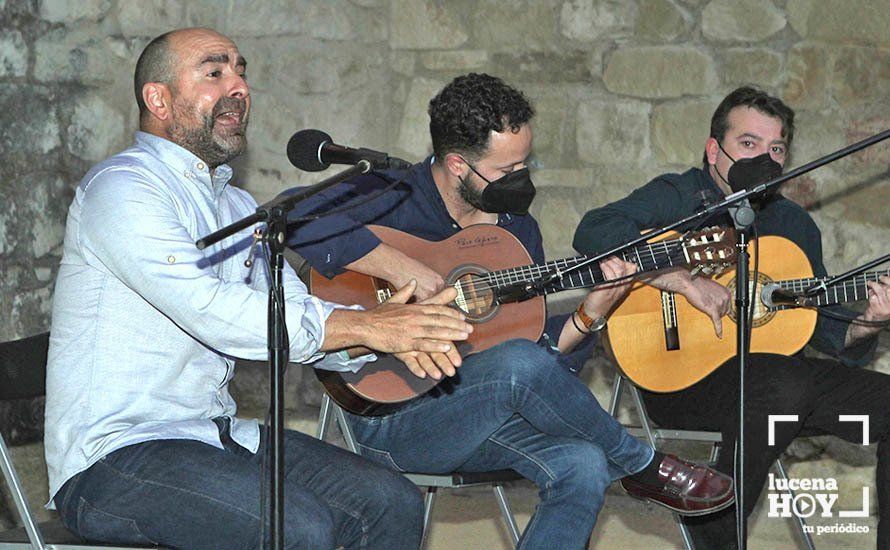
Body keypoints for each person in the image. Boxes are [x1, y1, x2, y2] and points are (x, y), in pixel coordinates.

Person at [44, 27, 478, 549]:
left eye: (241, 71)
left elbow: (293, 309)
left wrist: (390, 333)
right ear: (157, 99)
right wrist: (368, 326)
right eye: (214, 72)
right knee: (297, 528)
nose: (239, 86)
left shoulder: (238, 207)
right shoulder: (121, 188)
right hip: (116, 456)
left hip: (217, 438)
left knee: (392, 503)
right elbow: (206, 307)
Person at [283, 72, 735, 548]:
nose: (521, 180)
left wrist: (589, 316)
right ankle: (643, 465)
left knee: (584, 464)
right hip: (391, 416)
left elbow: (539, 361)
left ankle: (627, 463)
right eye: (506, 171)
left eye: (526, 163)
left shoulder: (517, 231)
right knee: (522, 368)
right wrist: (399, 268)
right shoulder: (387, 192)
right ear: (458, 164)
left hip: (482, 412)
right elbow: (294, 220)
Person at [573, 86, 890, 548]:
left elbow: (826, 328)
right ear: (713, 150)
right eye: (748, 144)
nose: (764, 157)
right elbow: (595, 230)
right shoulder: (679, 195)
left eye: (775, 148)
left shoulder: (795, 226)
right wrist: (683, 281)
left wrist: (869, 322)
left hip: (776, 386)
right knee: (784, 383)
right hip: (679, 377)